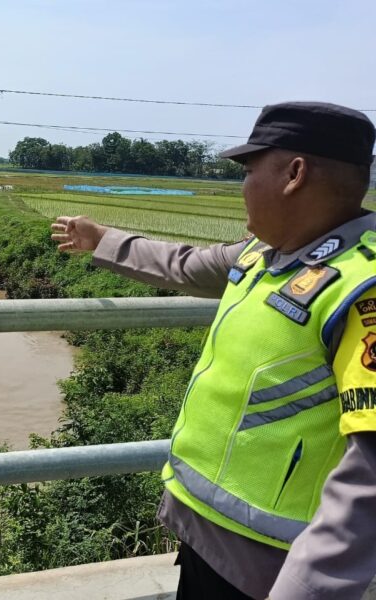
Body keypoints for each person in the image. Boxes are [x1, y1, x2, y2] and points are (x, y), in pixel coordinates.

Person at [50, 102, 376, 600]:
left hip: (273, 567)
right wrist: (102, 240)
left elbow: (368, 480)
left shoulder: (361, 287)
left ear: (294, 174)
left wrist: (305, 589)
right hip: (207, 536)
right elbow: (184, 264)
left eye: (247, 171)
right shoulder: (266, 253)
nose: (241, 187)